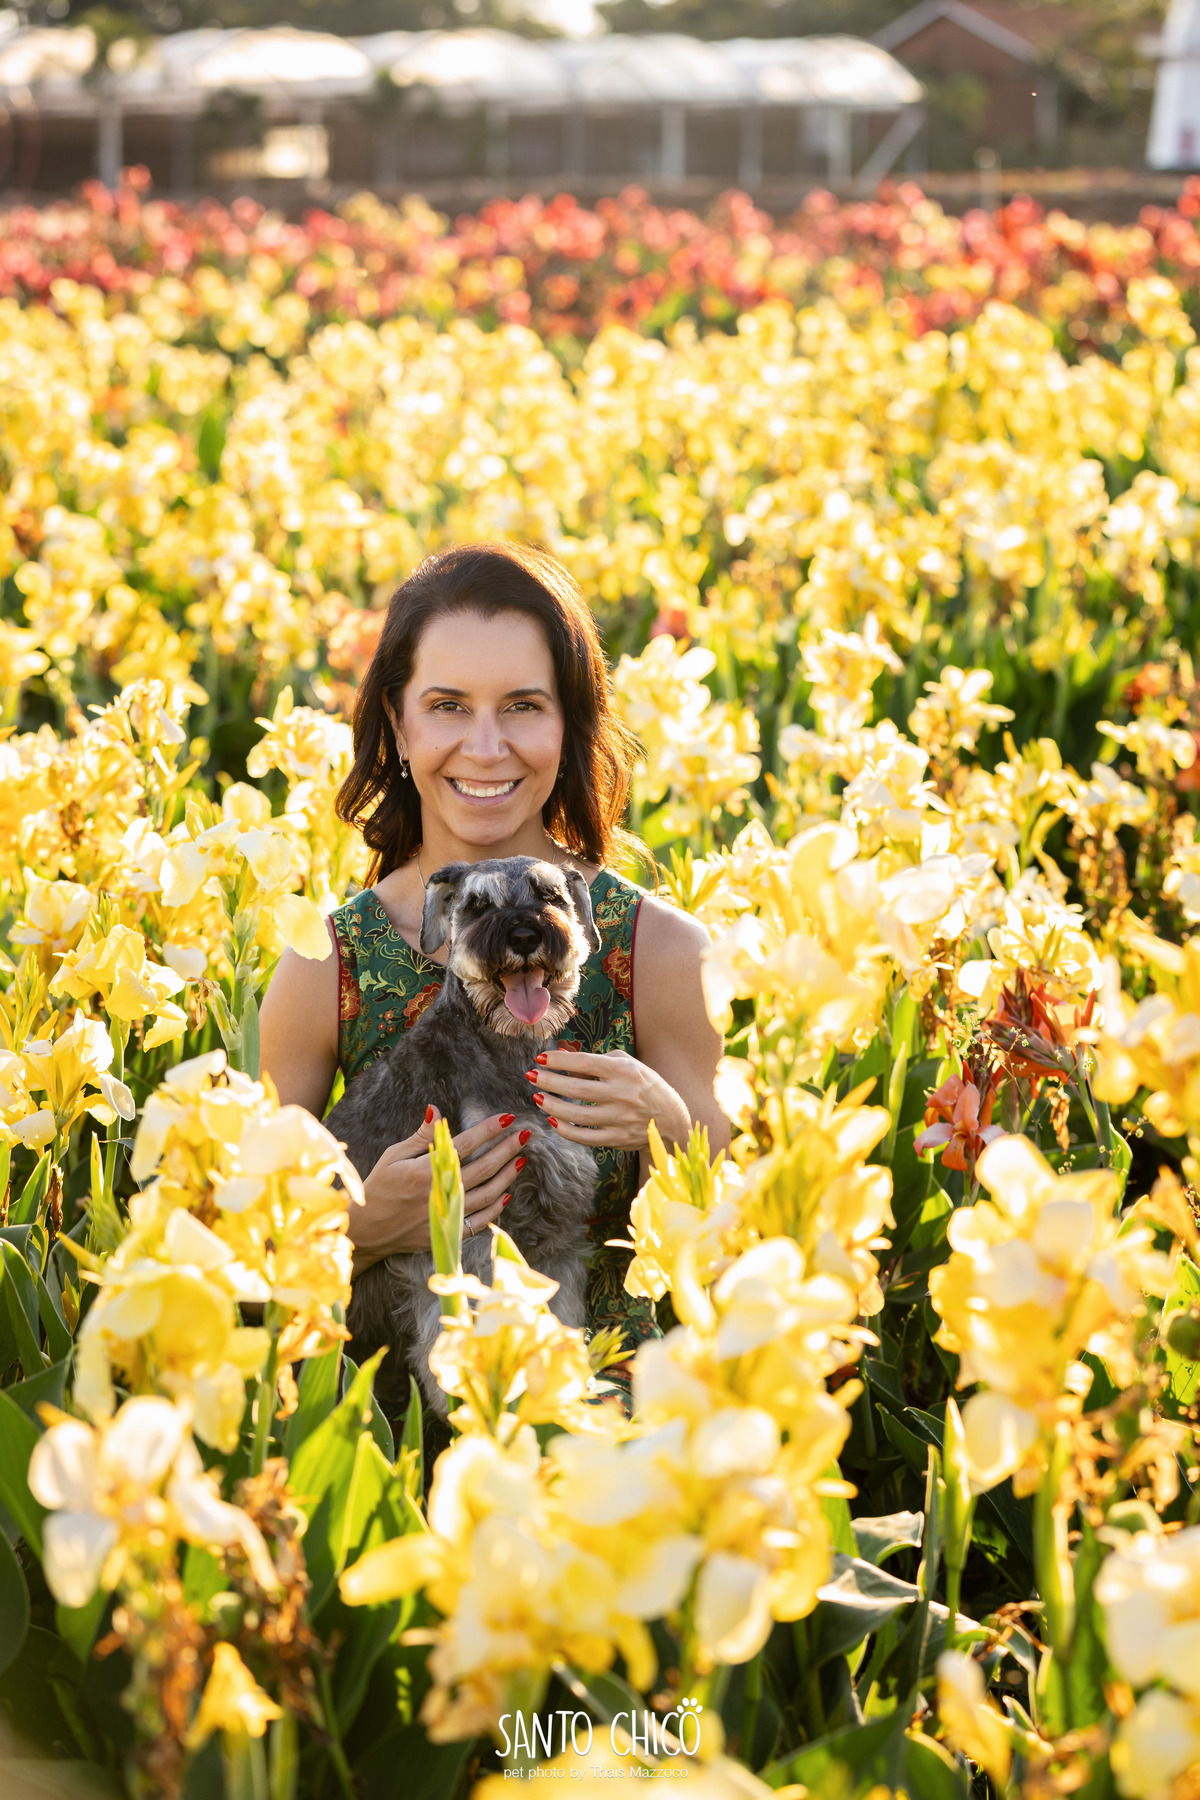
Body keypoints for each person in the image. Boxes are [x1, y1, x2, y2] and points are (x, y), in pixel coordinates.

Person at [259, 540, 728, 1402]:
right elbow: (241, 1258)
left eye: (523, 706)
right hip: (377, 1442)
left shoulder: (660, 951)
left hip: (617, 1435)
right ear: (398, 723)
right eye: (447, 706)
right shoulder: (325, 964)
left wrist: (670, 1127)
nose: (485, 746)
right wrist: (359, 1226)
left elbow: (746, 1245)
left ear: (569, 723)